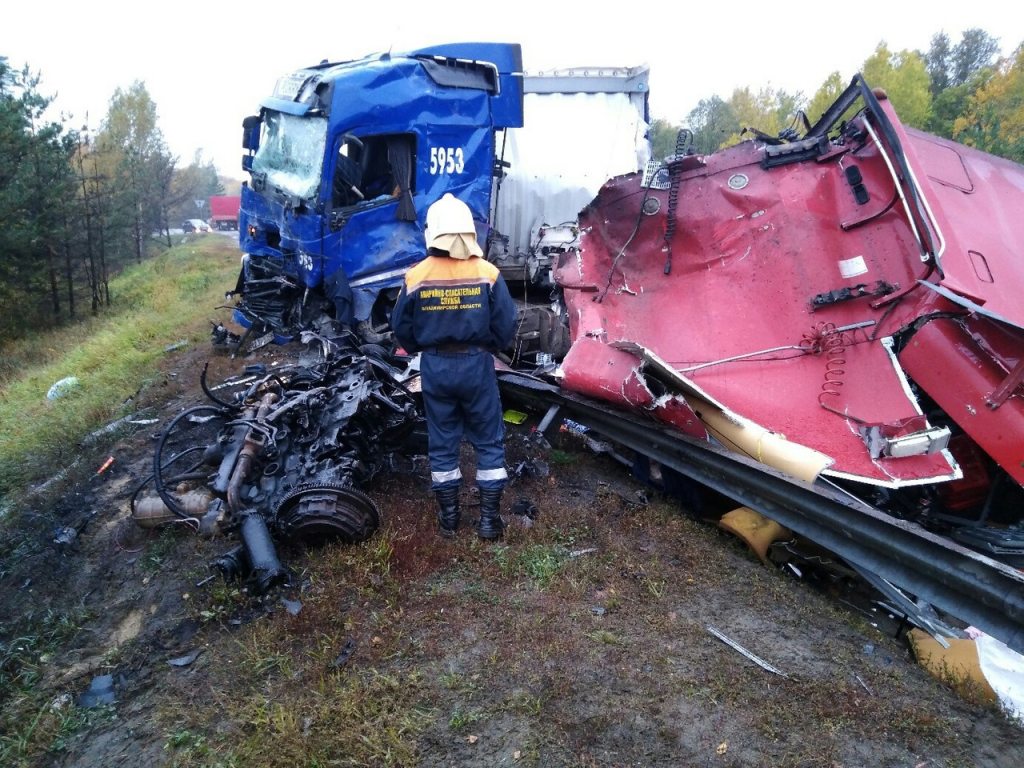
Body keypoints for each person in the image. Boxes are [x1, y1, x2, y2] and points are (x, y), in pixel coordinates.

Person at [392, 194, 517, 539]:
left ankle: (449, 521)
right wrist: (488, 346)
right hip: (476, 364)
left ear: (433, 233)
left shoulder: (417, 275)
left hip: (435, 366)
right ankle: (489, 523)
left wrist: (422, 347)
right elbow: (506, 323)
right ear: (468, 232)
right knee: (489, 440)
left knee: (443, 441)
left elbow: (401, 325)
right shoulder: (486, 272)